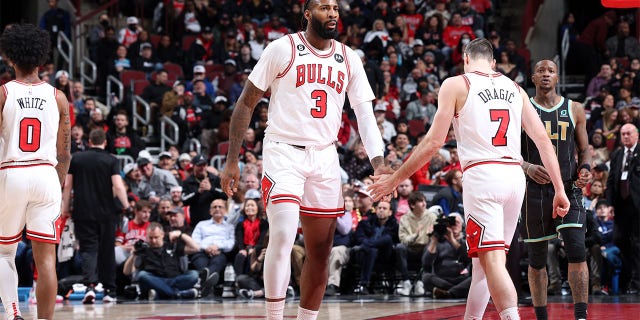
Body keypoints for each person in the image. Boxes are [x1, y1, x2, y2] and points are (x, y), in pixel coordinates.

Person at [367, 38, 570, 320]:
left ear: (465, 59)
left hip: (483, 174)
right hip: (514, 178)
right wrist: (560, 189)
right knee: (482, 265)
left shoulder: (455, 84)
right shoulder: (516, 88)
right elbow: (543, 142)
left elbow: (433, 142)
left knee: (493, 261)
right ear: (494, 63)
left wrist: (395, 178)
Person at [220, 0, 388, 318]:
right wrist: (232, 160)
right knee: (283, 234)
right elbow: (245, 103)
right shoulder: (282, 49)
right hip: (283, 150)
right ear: (308, 14)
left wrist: (378, 163)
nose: (333, 13)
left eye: (336, 7)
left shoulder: (349, 58)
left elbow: (365, 115)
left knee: (321, 251)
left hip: (325, 156)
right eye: (324, 7)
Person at [0, 23, 71, 320]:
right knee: (46, 261)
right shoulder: (59, 97)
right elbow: (64, 152)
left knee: (5, 253)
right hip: (46, 176)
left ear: (10, 58)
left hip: (13, 172)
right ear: (41, 59)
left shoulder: (3, 93)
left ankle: (14, 313)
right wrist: (55, 185)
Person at [519, 60, 592, 320]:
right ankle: (541, 316)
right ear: (533, 77)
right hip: (533, 191)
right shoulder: (521, 107)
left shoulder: (574, 109)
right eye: (541, 71)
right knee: (537, 259)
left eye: (551, 71)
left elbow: (584, 149)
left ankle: (581, 316)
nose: (546, 74)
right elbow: (507, 151)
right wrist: (526, 166)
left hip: (569, 188)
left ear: (557, 77)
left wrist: (585, 168)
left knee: (576, 248)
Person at [62, 129, 131, 305]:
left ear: (89, 141)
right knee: (107, 250)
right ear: (105, 142)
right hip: (107, 213)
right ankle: (109, 291)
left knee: (88, 250)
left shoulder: (76, 158)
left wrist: (65, 208)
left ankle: (90, 286)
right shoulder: (111, 160)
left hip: (82, 211)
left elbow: (67, 185)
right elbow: (117, 185)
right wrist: (126, 205)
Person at [122, 222, 201, 300]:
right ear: (146, 236)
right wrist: (133, 254)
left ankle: (160, 294)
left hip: (174, 279)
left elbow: (196, 248)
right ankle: (177, 294)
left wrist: (181, 235)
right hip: (155, 280)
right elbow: (126, 272)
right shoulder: (143, 250)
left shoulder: (172, 245)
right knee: (142, 275)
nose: (153, 241)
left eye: (156, 237)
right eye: (151, 238)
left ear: (162, 235)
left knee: (194, 275)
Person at [606, 123, 639, 294]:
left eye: (628, 133)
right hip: (621, 206)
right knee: (621, 242)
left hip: (637, 207)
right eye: (623, 134)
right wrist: (610, 204)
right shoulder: (618, 154)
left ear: (636, 135)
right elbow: (611, 181)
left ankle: (636, 283)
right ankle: (628, 280)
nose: (625, 136)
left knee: (637, 244)